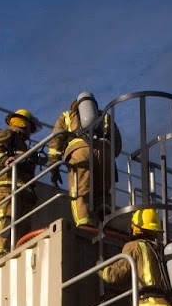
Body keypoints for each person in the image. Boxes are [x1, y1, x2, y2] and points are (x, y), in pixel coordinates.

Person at [46, 92, 122, 229]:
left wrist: (54, 165)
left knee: (80, 189)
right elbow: (117, 145)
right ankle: (105, 223)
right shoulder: (105, 116)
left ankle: (84, 223)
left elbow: (56, 141)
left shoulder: (67, 116)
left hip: (80, 153)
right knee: (103, 193)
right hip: (105, 153)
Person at [0, 108, 39, 261]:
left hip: (22, 190)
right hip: (7, 187)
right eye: (29, 127)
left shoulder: (21, 144)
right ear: (24, 124)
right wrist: (4, 160)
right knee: (7, 218)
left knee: (22, 225)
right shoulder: (8, 134)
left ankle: (16, 254)